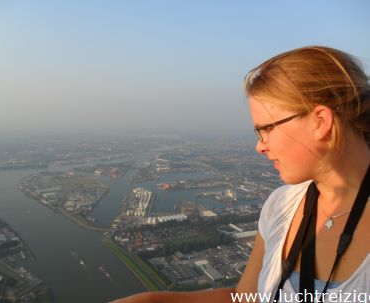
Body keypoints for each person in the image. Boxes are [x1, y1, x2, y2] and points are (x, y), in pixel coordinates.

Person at [111, 46, 370, 303]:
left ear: (320, 122)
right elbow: (246, 299)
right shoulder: (281, 205)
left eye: (265, 129)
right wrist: (151, 301)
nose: (260, 146)